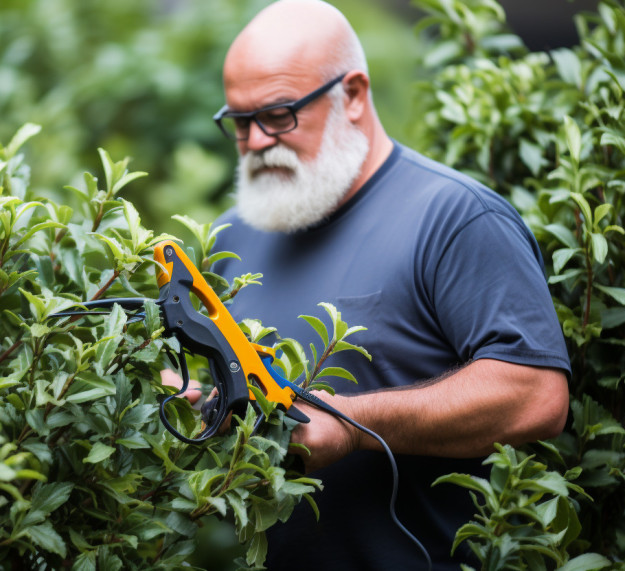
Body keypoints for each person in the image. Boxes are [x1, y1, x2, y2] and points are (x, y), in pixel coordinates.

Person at [199, 1, 573, 569]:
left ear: (352, 94)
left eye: (277, 116)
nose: (253, 142)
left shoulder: (455, 218)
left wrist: (354, 425)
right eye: (240, 122)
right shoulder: (229, 237)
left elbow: (536, 397)